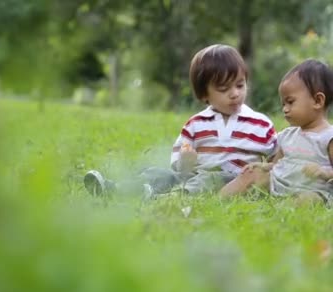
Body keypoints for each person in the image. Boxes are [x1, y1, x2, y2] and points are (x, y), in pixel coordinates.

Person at [84, 44, 278, 198]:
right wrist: (185, 162)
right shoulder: (196, 124)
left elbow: (277, 160)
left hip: (233, 181)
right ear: (204, 94)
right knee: (158, 173)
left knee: (208, 181)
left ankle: (161, 198)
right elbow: (179, 164)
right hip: (193, 176)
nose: (235, 94)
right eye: (223, 89)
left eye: (240, 85)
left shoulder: (261, 124)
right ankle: (117, 189)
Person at [219, 59, 333, 205]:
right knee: (252, 174)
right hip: (278, 184)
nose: (285, 109)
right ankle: (217, 200)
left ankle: (284, 207)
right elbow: (277, 164)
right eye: (283, 104)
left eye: (290, 102)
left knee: (309, 199)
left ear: (318, 101)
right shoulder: (287, 135)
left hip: (311, 189)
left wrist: (324, 172)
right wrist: (263, 167)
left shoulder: (328, 137)